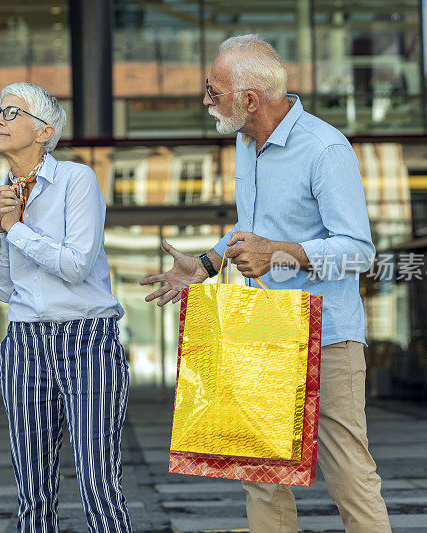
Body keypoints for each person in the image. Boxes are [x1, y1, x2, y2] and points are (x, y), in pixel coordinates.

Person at [140, 35, 391, 533]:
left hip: (326, 336)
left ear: (249, 99)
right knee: (262, 477)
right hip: (261, 330)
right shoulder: (245, 141)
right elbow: (250, 225)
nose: (206, 100)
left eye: (213, 91)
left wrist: (279, 252)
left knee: (347, 475)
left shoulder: (325, 149)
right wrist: (210, 262)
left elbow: (359, 251)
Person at [0, 82, 131, 533]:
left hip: (87, 341)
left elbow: (75, 264)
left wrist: (16, 229)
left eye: (12, 113)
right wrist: (1, 231)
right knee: (32, 492)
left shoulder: (76, 179)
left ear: (44, 130)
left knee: (98, 485)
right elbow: (3, 288)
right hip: (24, 343)